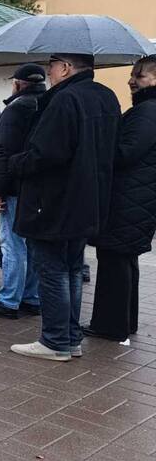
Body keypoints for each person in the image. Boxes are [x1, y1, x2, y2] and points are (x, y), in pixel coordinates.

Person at [8, 54, 121, 361]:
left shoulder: (64, 99)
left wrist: (15, 163)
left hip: (55, 202)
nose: (49, 71)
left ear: (66, 67)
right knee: (71, 269)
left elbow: (46, 153)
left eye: (53, 65)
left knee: (53, 270)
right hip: (88, 199)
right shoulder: (106, 97)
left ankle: (55, 340)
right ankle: (70, 338)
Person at [85, 55, 156, 342]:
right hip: (136, 199)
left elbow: (125, 153)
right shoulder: (147, 110)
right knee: (124, 260)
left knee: (115, 260)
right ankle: (124, 322)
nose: (131, 80)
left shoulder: (147, 112)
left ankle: (109, 325)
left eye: (139, 75)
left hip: (128, 200)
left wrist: (103, 139)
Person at [0, 64, 46, 319]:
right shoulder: (47, 105)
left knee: (12, 244)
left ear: (17, 83)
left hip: (14, 187)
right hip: (38, 187)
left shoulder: (16, 108)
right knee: (31, 244)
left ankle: (9, 300)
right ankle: (31, 297)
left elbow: (3, 152)